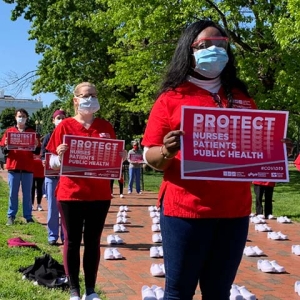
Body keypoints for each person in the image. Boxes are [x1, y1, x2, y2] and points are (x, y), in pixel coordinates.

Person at [142, 20, 258, 300]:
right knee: (179, 292)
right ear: (189, 50)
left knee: (218, 293)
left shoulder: (242, 97)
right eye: (205, 45)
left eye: (220, 43)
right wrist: (167, 150)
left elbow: (251, 150)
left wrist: (273, 147)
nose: (214, 49)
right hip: (186, 211)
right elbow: (150, 157)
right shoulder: (171, 98)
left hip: (234, 211)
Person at [46, 82, 118, 300]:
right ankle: (74, 289)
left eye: (94, 95)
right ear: (75, 100)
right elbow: (51, 162)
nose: (91, 98)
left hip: (99, 195)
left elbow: (112, 158)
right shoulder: (65, 126)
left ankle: (91, 290)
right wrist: (59, 156)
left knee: (93, 241)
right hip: (71, 194)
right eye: (86, 95)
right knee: (73, 241)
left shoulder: (106, 126)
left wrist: (120, 158)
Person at [0, 108, 40, 225]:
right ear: (15, 117)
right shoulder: (9, 131)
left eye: (23, 116)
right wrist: (6, 145)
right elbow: (3, 150)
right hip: (14, 167)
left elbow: (36, 152)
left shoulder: (32, 132)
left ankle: (28, 216)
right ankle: (11, 216)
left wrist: (37, 146)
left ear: (27, 118)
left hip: (28, 167)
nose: (21, 118)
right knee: (13, 193)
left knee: (27, 193)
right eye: (19, 116)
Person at [41, 109, 66, 245]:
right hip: (51, 177)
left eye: (63, 117)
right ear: (53, 120)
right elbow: (43, 154)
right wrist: (43, 161)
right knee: (52, 207)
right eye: (58, 118)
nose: (60, 120)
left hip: (66, 177)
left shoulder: (70, 136)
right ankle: (52, 235)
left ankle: (65, 236)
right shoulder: (48, 136)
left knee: (65, 209)